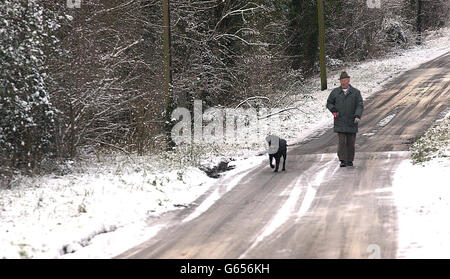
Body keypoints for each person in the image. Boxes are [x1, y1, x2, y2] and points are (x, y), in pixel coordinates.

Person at [326, 71, 364, 167]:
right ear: (340, 82)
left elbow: (360, 105)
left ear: (349, 80)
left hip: (352, 121)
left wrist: (357, 115)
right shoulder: (335, 92)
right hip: (340, 121)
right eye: (342, 81)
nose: (343, 82)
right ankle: (342, 160)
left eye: (345, 80)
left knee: (351, 143)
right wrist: (333, 110)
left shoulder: (356, 92)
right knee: (342, 142)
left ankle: (350, 160)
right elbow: (329, 103)